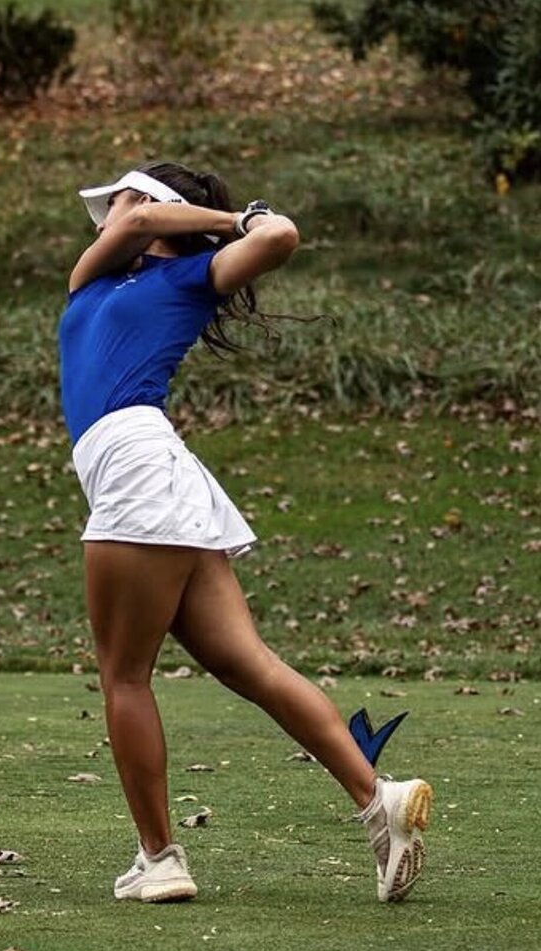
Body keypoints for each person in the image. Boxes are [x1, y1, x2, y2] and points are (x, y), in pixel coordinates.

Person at [58, 161, 432, 905]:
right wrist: (174, 219)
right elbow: (134, 226)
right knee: (246, 664)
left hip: (139, 468)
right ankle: (378, 798)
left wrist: (231, 220)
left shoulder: (191, 276)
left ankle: (160, 859)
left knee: (125, 677)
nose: (109, 217)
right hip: (153, 476)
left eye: (121, 200)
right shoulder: (93, 280)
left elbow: (279, 235)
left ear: (155, 206)